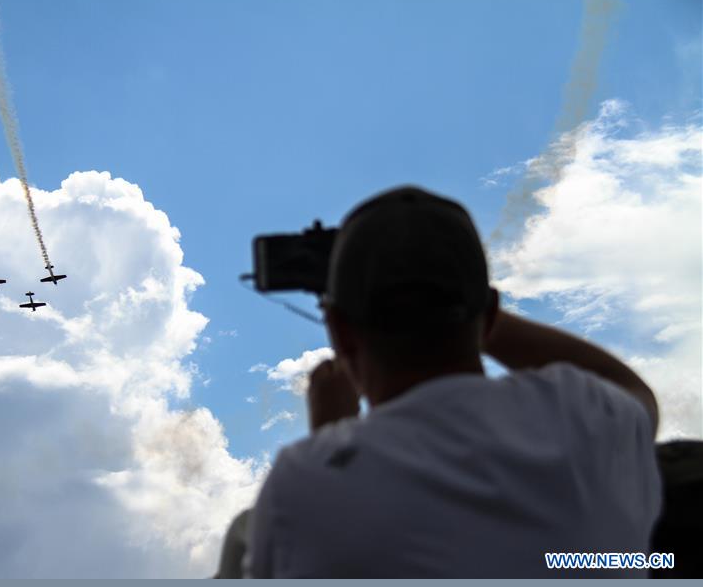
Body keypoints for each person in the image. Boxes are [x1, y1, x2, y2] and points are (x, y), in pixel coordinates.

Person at [244, 186, 662, 578]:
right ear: (492, 313)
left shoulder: (300, 485)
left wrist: (332, 437)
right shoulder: (585, 418)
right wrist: (470, 310)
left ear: (339, 329)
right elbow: (631, 389)